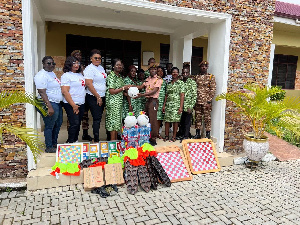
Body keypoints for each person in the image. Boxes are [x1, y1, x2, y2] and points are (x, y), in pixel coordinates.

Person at [34, 56, 63, 153]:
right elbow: (42, 92)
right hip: (48, 103)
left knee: (58, 123)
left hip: (56, 102)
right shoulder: (41, 75)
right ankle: (49, 146)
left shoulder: (51, 73)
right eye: (48, 63)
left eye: (53, 63)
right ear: (43, 64)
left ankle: (54, 143)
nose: (51, 65)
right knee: (50, 125)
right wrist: (49, 106)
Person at [135, 64, 163, 146]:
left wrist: (142, 95)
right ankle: (146, 136)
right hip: (147, 101)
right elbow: (140, 87)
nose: (153, 70)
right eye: (151, 69)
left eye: (154, 69)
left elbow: (154, 91)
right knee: (146, 118)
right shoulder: (147, 79)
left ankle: (153, 138)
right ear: (149, 70)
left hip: (153, 101)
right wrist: (130, 87)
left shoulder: (158, 79)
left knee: (153, 120)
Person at [61, 56, 86, 143]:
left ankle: (75, 140)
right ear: (69, 64)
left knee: (78, 123)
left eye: (77, 63)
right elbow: (65, 91)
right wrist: (73, 105)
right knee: (74, 123)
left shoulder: (80, 74)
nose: (76, 65)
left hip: (81, 103)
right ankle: (70, 142)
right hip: (71, 104)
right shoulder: (66, 75)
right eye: (74, 63)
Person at [83, 49, 106, 142]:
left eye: (99, 58)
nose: (98, 60)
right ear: (91, 59)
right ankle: (96, 139)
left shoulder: (101, 68)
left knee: (99, 117)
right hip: (93, 96)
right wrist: (98, 96)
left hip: (102, 95)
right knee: (96, 118)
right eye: (95, 58)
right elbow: (88, 84)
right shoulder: (89, 69)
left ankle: (96, 136)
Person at [105, 59, 132, 140]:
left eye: (120, 65)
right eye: (117, 64)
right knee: (113, 124)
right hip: (113, 103)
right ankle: (113, 143)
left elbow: (120, 90)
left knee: (117, 124)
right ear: (113, 66)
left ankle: (115, 141)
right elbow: (112, 91)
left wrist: (127, 93)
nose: (119, 66)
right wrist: (124, 88)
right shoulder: (111, 76)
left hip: (119, 104)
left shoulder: (119, 77)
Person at [70, 50, 93, 141]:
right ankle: (71, 137)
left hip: (83, 95)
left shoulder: (83, 67)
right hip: (73, 97)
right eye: (76, 55)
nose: (78, 56)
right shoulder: (70, 68)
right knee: (73, 119)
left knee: (85, 116)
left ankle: (85, 133)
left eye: (80, 55)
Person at [193, 61, 216, 139]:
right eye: (202, 66)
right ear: (200, 67)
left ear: (207, 67)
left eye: (205, 66)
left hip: (206, 102)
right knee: (197, 118)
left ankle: (207, 134)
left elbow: (213, 89)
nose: (204, 67)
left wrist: (209, 101)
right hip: (198, 101)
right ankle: (197, 134)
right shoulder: (196, 77)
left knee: (207, 118)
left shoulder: (211, 77)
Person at [163, 67, 185, 142]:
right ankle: (166, 136)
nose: (174, 73)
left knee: (175, 121)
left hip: (176, 105)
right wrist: (164, 105)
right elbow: (166, 95)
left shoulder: (181, 83)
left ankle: (174, 136)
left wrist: (181, 107)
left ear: (178, 73)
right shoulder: (168, 83)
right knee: (167, 121)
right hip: (168, 105)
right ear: (171, 73)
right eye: (173, 72)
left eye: (176, 72)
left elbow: (182, 95)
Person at [177, 63, 197, 142]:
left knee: (187, 122)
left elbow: (194, 95)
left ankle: (185, 136)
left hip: (188, 106)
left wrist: (191, 106)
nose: (185, 74)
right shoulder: (180, 82)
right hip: (180, 106)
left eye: (187, 73)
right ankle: (181, 134)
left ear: (189, 73)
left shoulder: (192, 82)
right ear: (182, 73)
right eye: (184, 73)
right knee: (181, 121)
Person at [156, 66, 167, 139]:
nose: (160, 72)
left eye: (161, 71)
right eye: (158, 71)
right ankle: (154, 133)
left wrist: (164, 105)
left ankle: (158, 133)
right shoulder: (154, 81)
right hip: (155, 102)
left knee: (160, 119)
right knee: (154, 119)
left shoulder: (165, 82)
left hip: (161, 103)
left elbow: (166, 94)